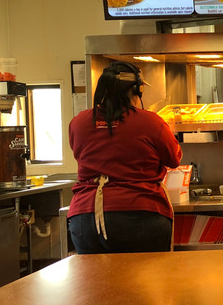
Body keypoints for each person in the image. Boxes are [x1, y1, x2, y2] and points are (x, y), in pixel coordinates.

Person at [68, 61, 182, 253]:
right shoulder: (151, 122)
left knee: (94, 281)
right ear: (137, 90)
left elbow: (78, 153)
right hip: (140, 216)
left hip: (85, 218)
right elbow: (174, 158)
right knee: (142, 281)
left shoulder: (79, 122)